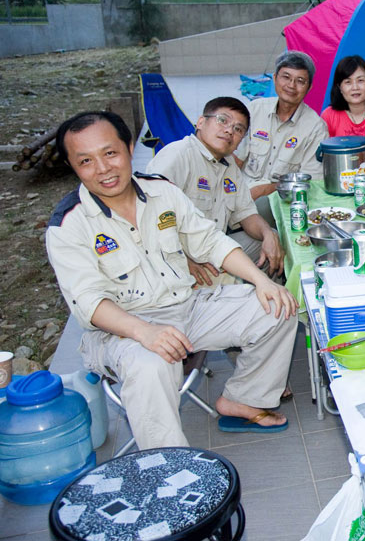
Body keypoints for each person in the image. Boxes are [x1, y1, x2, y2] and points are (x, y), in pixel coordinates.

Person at [46, 111, 299, 450]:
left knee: (278, 304)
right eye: (86, 161)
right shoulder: (68, 225)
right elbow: (89, 302)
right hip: (122, 330)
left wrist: (261, 281)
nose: (103, 168)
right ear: (73, 167)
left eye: (110, 153)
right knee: (151, 362)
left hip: (186, 307)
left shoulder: (161, 192)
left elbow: (210, 241)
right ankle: (168, 464)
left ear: (129, 147)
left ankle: (244, 399)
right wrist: (144, 332)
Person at [147, 96, 284, 286]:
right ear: (201, 122)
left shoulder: (229, 166)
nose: (229, 130)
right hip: (175, 260)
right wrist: (182, 259)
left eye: (238, 129)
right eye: (222, 120)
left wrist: (268, 234)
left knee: (272, 242)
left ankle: (273, 291)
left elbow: (246, 214)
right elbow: (148, 218)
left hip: (213, 250)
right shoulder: (178, 155)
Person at [237, 50, 329, 225]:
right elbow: (235, 159)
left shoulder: (316, 128)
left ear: (309, 87)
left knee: (263, 204)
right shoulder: (254, 109)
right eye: (286, 77)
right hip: (239, 191)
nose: (291, 85)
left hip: (278, 199)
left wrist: (265, 189)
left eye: (300, 81)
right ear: (274, 78)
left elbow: (310, 182)